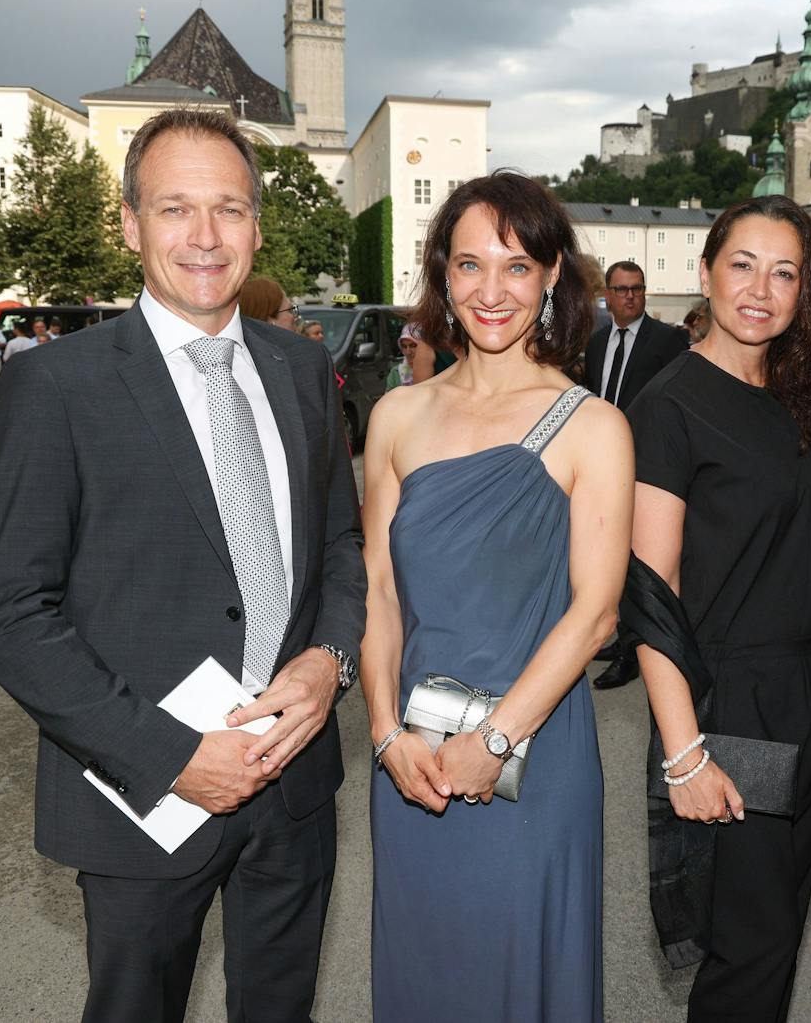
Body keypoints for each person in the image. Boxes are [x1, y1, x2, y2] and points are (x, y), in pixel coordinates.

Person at [0, 108, 365, 1023]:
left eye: (228, 208)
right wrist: (174, 757)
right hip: (142, 796)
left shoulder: (302, 373)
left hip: (295, 782)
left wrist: (329, 660)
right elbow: (10, 613)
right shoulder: (56, 383)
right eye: (175, 207)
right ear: (130, 224)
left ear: (257, 227)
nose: (204, 235)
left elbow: (341, 547)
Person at [360, 171, 630, 1023]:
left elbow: (597, 613)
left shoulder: (592, 425)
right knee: (425, 975)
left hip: (532, 756)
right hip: (412, 758)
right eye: (469, 264)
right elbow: (377, 587)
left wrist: (495, 739)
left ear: (553, 276)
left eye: (517, 267)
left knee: (521, 977)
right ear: (442, 274)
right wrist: (380, 733)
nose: (491, 290)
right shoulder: (396, 417)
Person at [626, 195, 811, 1021]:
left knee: (780, 932)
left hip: (807, 692)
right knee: (747, 946)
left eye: (785, 271)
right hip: (731, 705)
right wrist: (684, 753)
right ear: (706, 272)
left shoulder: (806, 394)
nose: (761, 288)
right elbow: (651, 593)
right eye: (743, 265)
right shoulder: (669, 405)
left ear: (805, 292)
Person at [584, 260, 690, 691]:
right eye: (621, 289)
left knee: (638, 559)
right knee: (605, 554)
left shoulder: (668, 341)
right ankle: (617, 634)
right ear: (606, 295)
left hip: (648, 469)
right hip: (598, 466)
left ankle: (632, 650)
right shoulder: (595, 343)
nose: (629, 296)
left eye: (637, 289)